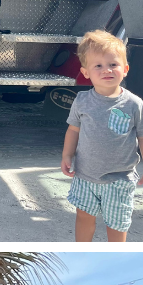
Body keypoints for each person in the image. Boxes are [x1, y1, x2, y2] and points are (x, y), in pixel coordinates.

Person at [61, 30, 143, 243]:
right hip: (85, 175)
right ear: (86, 72)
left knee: (117, 224)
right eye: (98, 65)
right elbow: (73, 129)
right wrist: (67, 155)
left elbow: (142, 136)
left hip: (120, 178)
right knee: (83, 217)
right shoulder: (82, 100)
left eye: (113, 64)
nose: (106, 70)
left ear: (125, 69)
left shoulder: (134, 104)